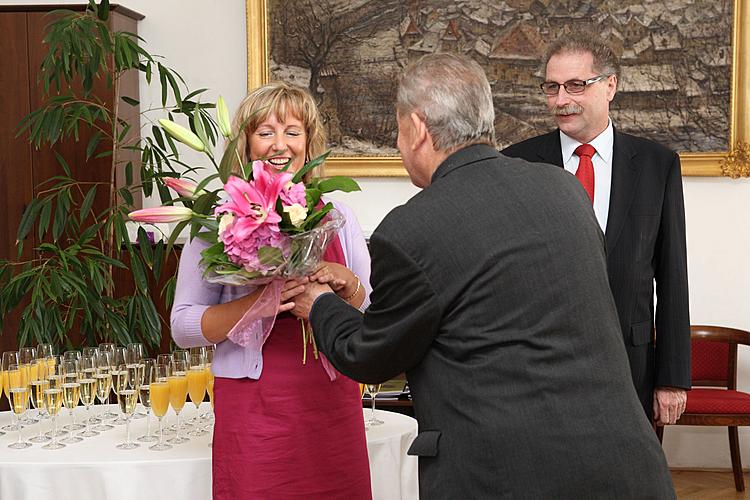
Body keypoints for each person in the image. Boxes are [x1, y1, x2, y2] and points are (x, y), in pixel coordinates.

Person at [284, 53, 676, 498]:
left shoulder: (410, 229)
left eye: (398, 130)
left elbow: (371, 356)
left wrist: (319, 305)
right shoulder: (563, 189)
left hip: (504, 477)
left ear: (416, 128)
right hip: (626, 466)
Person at [171, 82, 373, 500]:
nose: (279, 145)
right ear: (245, 145)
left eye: (292, 132)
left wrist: (345, 281)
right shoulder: (216, 223)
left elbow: (369, 310)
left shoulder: (339, 216)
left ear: (308, 142)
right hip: (254, 413)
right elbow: (183, 326)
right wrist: (259, 304)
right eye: (265, 132)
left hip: (332, 404)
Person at [502, 31, 690, 426]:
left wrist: (672, 379)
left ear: (610, 86)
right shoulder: (516, 164)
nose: (561, 100)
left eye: (575, 85)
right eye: (552, 88)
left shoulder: (658, 165)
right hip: (537, 368)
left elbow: (673, 276)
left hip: (630, 365)